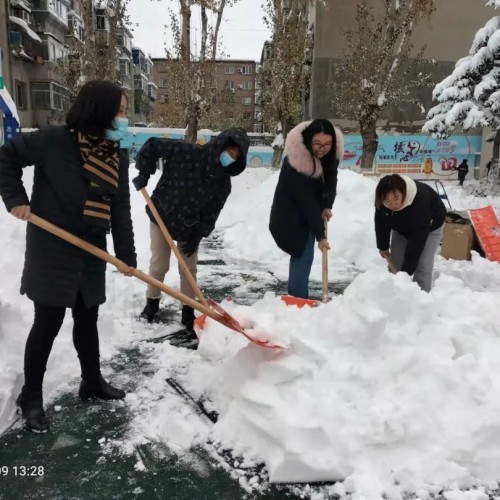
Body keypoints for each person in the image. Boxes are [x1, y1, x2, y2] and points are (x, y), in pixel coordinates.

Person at [0, 80, 137, 433]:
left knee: (87, 318)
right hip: (52, 246)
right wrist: (16, 199)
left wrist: (127, 257)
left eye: (125, 111)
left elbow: (120, 209)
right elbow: (7, 157)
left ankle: (91, 381)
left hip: (90, 250)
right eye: (119, 111)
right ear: (98, 110)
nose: (124, 118)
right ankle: (30, 397)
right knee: (47, 322)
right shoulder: (52, 141)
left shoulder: (115, 154)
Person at [132, 128, 249, 347]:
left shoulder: (223, 182)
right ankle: (152, 304)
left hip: (189, 227)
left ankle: (188, 311)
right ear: (220, 144)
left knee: (189, 268)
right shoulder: (185, 151)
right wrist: (144, 173)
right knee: (159, 264)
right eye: (228, 151)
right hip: (162, 214)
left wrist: (198, 234)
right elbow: (153, 145)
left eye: (235, 157)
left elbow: (212, 211)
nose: (229, 158)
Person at [269, 119, 344, 299]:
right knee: (302, 255)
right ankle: (298, 302)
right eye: (317, 143)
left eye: (327, 144)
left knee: (302, 256)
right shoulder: (296, 162)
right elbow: (307, 201)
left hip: (310, 209)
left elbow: (331, 180)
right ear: (309, 139)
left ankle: (294, 299)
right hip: (290, 215)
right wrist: (321, 236)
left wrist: (327, 205)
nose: (322, 148)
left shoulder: (330, 155)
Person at [375, 174, 446, 292]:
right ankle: (393, 297)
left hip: (429, 228)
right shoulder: (382, 202)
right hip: (401, 227)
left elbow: (417, 242)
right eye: (387, 201)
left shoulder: (420, 203)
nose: (392, 204)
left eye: (396, 198)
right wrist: (383, 246)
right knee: (395, 264)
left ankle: (421, 301)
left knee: (422, 266)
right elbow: (381, 222)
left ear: (403, 192)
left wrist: (406, 274)